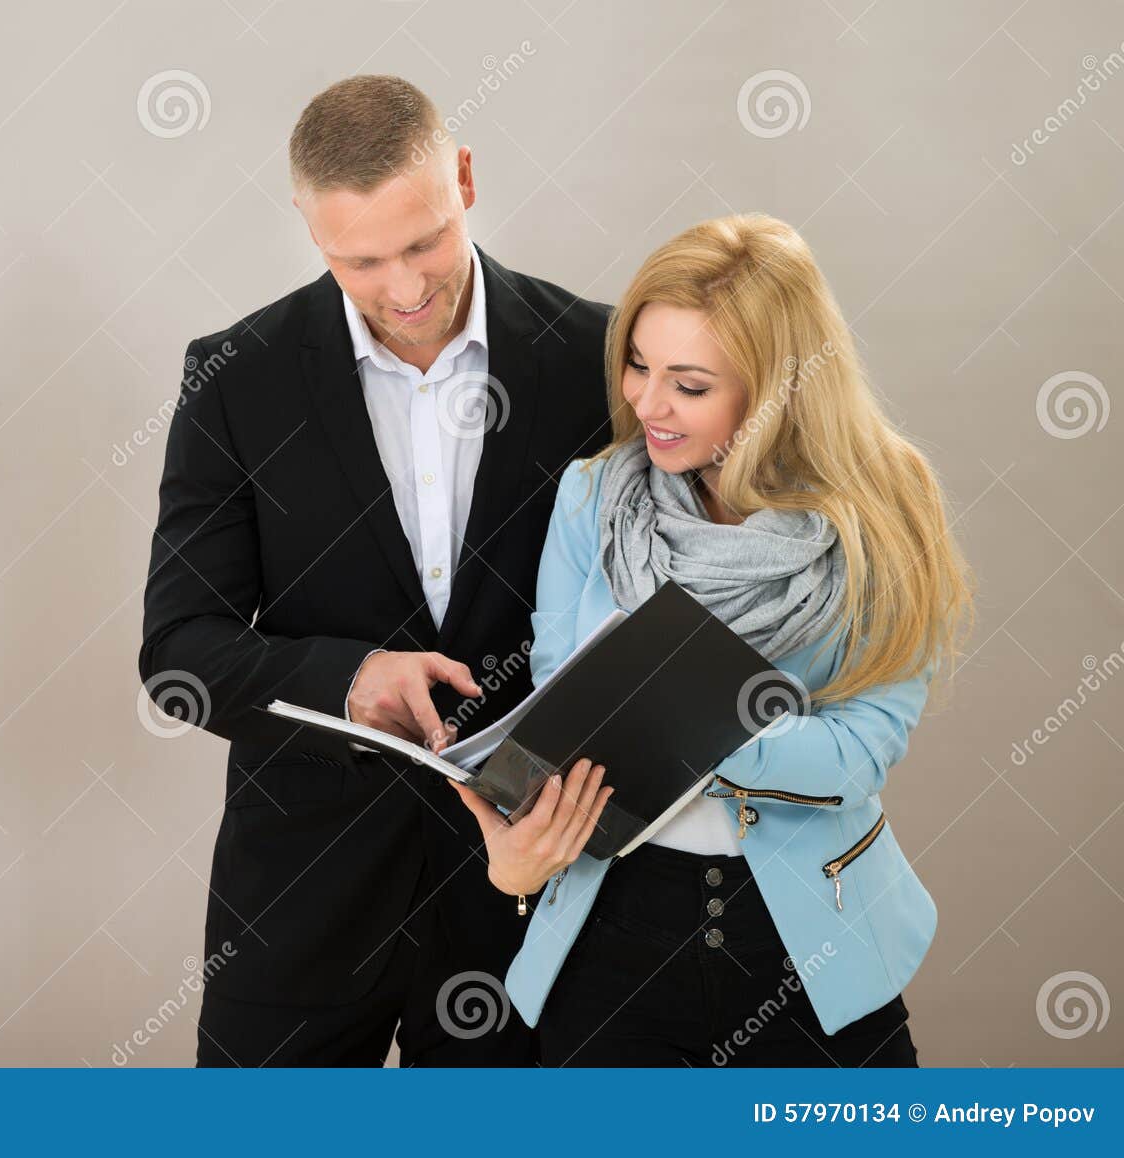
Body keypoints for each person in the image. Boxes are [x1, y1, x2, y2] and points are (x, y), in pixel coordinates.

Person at [138, 74, 613, 1065]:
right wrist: (347, 680)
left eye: (423, 242)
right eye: (360, 260)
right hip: (299, 901)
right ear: (309, 230)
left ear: (466, 180)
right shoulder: (234, 380)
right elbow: (180, 650)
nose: (403, 289)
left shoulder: (599, 358)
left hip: (528, 895)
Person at [452, 212, 975, 1066]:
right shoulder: (593, 499)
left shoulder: (885, 511)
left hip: (811, 935)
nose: (646, 404)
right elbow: (558, 707)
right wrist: (517, 844)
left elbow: (861, 753)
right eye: (637, 364)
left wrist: (692, 721)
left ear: (777, 392)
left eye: (689, 385)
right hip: (610, 929)